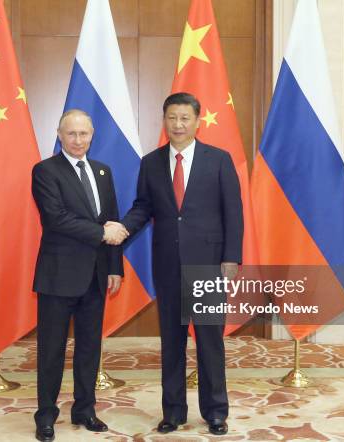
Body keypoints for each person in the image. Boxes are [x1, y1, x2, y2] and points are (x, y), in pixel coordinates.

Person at [109, 92, 243, 436]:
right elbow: (143, 206)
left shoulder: (219, 160)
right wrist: (124, 227)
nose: (178, 124)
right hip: (168, 265)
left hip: (208, 266)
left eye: (185, 118)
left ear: (197, 121)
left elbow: (234, 212)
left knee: (210, 342)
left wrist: (231, 257)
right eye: (172, 118)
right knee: (172, 342)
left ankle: (215, 412)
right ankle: (173, 412)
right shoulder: (151, 162)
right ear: (164, 120)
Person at [31, 109, 128, 442]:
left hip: (97, 277)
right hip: (58, 276)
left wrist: (115, 266)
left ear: (92, 135)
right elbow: (56, 219)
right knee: (52, 350)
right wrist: (102, 233)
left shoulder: (102, 171)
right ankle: (46, 416)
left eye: (84, 134)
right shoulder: (45, 171)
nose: (78, 140)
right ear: (59, 135)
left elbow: (113, 219)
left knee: (89, 348)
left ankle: (85, 409)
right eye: (71, 134)